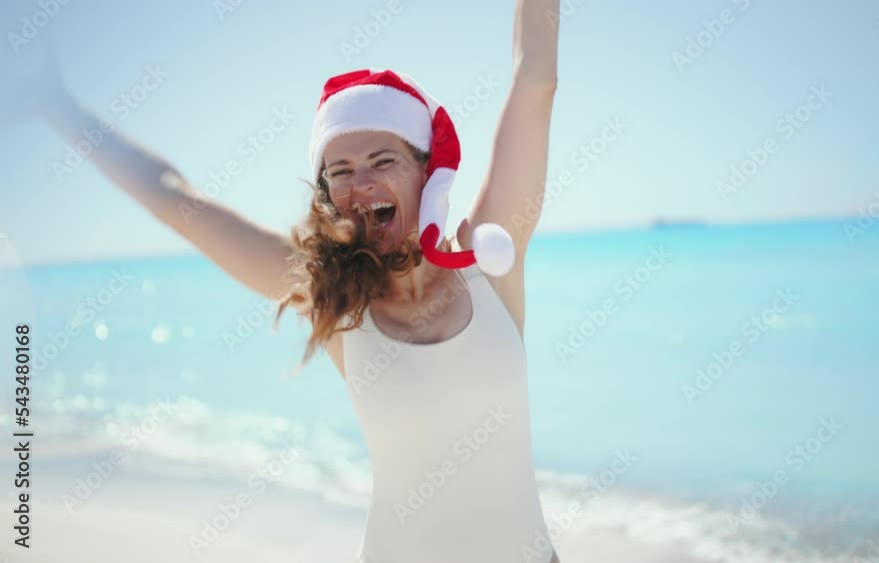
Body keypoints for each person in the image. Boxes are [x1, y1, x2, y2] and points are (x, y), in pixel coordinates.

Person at [37, 0, 560, 561]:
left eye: (382, 161)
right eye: (340, 173)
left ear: (428, 171)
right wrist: (60, 109)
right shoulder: (336, 304)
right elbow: (176, 200)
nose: (359, 185)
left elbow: (536, 80)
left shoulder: (490, 257)